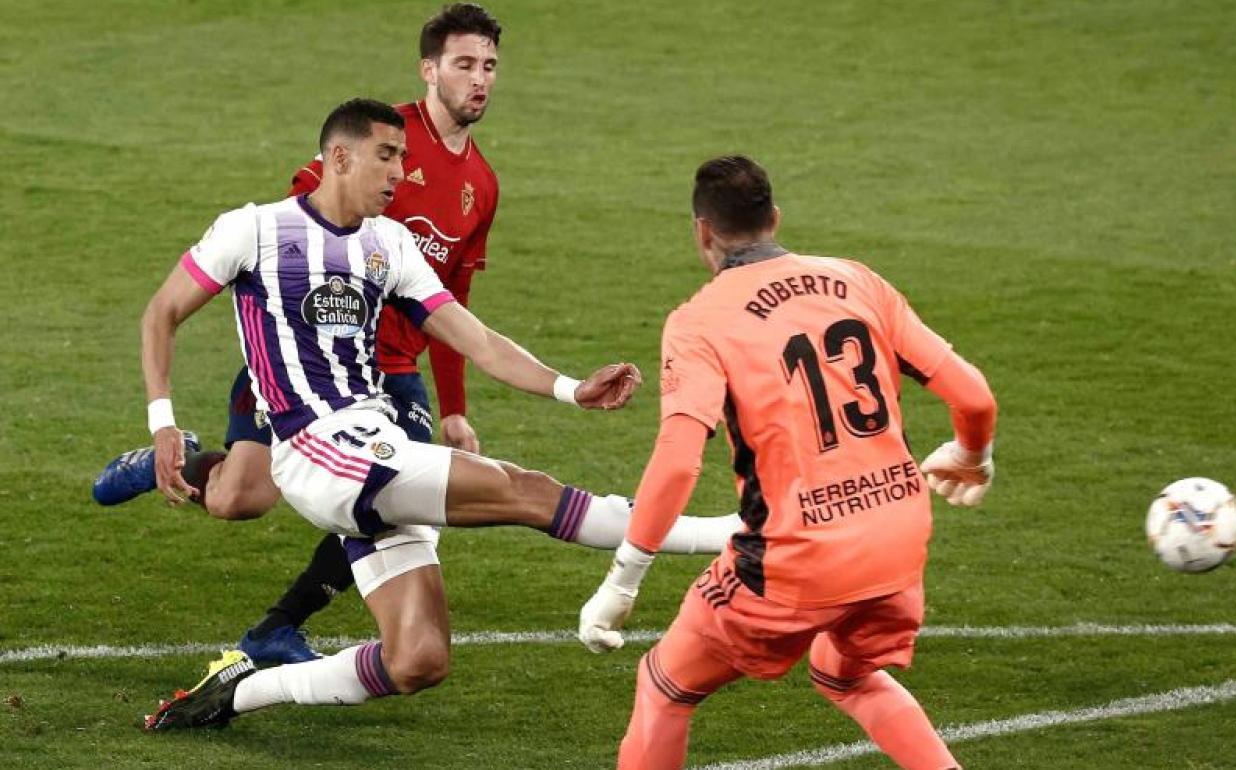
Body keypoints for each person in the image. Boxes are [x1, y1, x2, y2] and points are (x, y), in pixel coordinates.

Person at [141, 99, 737, 731]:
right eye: (386, 156)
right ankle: (736, 534)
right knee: (526, 492)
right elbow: (162, 312)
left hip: (372, 441)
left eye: (402, 156)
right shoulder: (254, 229)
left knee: (418, 661)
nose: (400, 172)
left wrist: (570, 389)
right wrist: (162, 420)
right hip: (317, 449)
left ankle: (239, 692)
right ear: (339, 157)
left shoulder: (389, 243)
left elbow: (476, 339)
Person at [576, 156, 998, 770]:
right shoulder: (857, 280)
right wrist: (970, 454)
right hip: (897, 545)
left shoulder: (700, 322)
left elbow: (678, 462)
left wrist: (623, 580)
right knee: (844, 673)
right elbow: (975, 397)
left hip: (793, 561)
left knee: (665, 686)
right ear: (775, 218)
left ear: (702, 232)